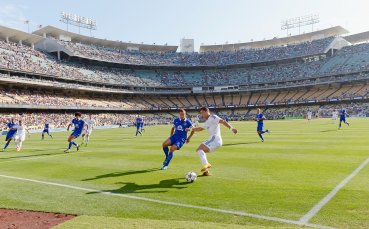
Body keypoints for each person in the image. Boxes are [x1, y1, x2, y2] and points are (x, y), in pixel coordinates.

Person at [186, 107, 237, 176]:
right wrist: (190, 129)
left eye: (202, 112)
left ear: (206, 111)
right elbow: (200, 129)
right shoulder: (207, 121)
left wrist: (231, 128)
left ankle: (207, 165)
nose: (201, 115)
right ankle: (206, 171)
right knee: (200, 150)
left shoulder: (213, 117)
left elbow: (222, 121)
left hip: (215, 139)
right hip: (215, 140)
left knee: (199, 149)